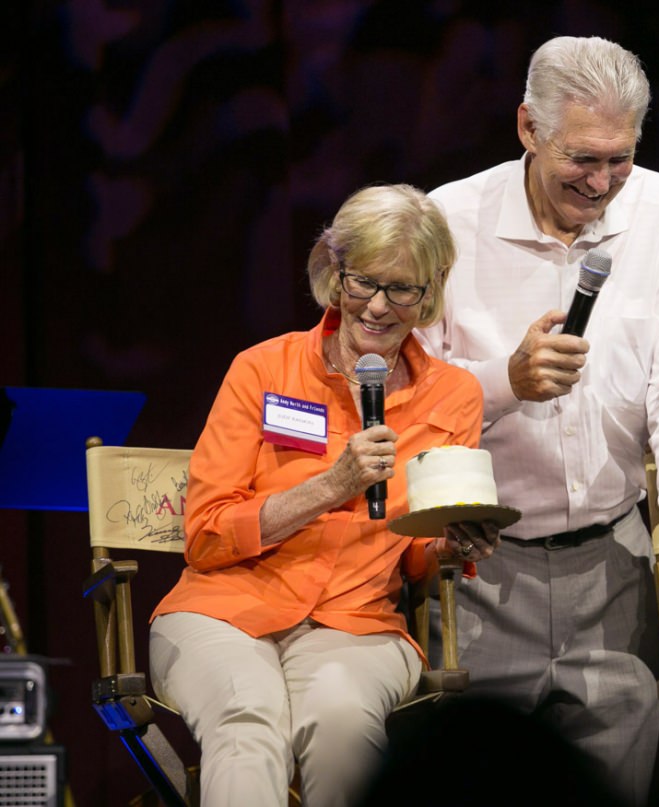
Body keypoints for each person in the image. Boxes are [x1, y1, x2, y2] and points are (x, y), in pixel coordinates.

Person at [416, 36, 659, 806]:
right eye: (583, 160)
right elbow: (410, 403)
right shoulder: (447, 221)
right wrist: (506, 382)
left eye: (619, 159)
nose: (602, 184)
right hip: (482, 573)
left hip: (614, 567)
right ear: (528, 128)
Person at [149, 183, 499, 807]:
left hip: (358, 623)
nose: (377, 306)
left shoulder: (454, 398)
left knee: (341, 726)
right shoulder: (262, 369)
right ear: (334, 274)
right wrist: (333, 485)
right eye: (362, 281)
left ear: (430, 294)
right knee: (247, 720)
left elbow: (416, 557)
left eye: (403, 289)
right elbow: (204, 537)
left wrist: (450, 547)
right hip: (225, 610)